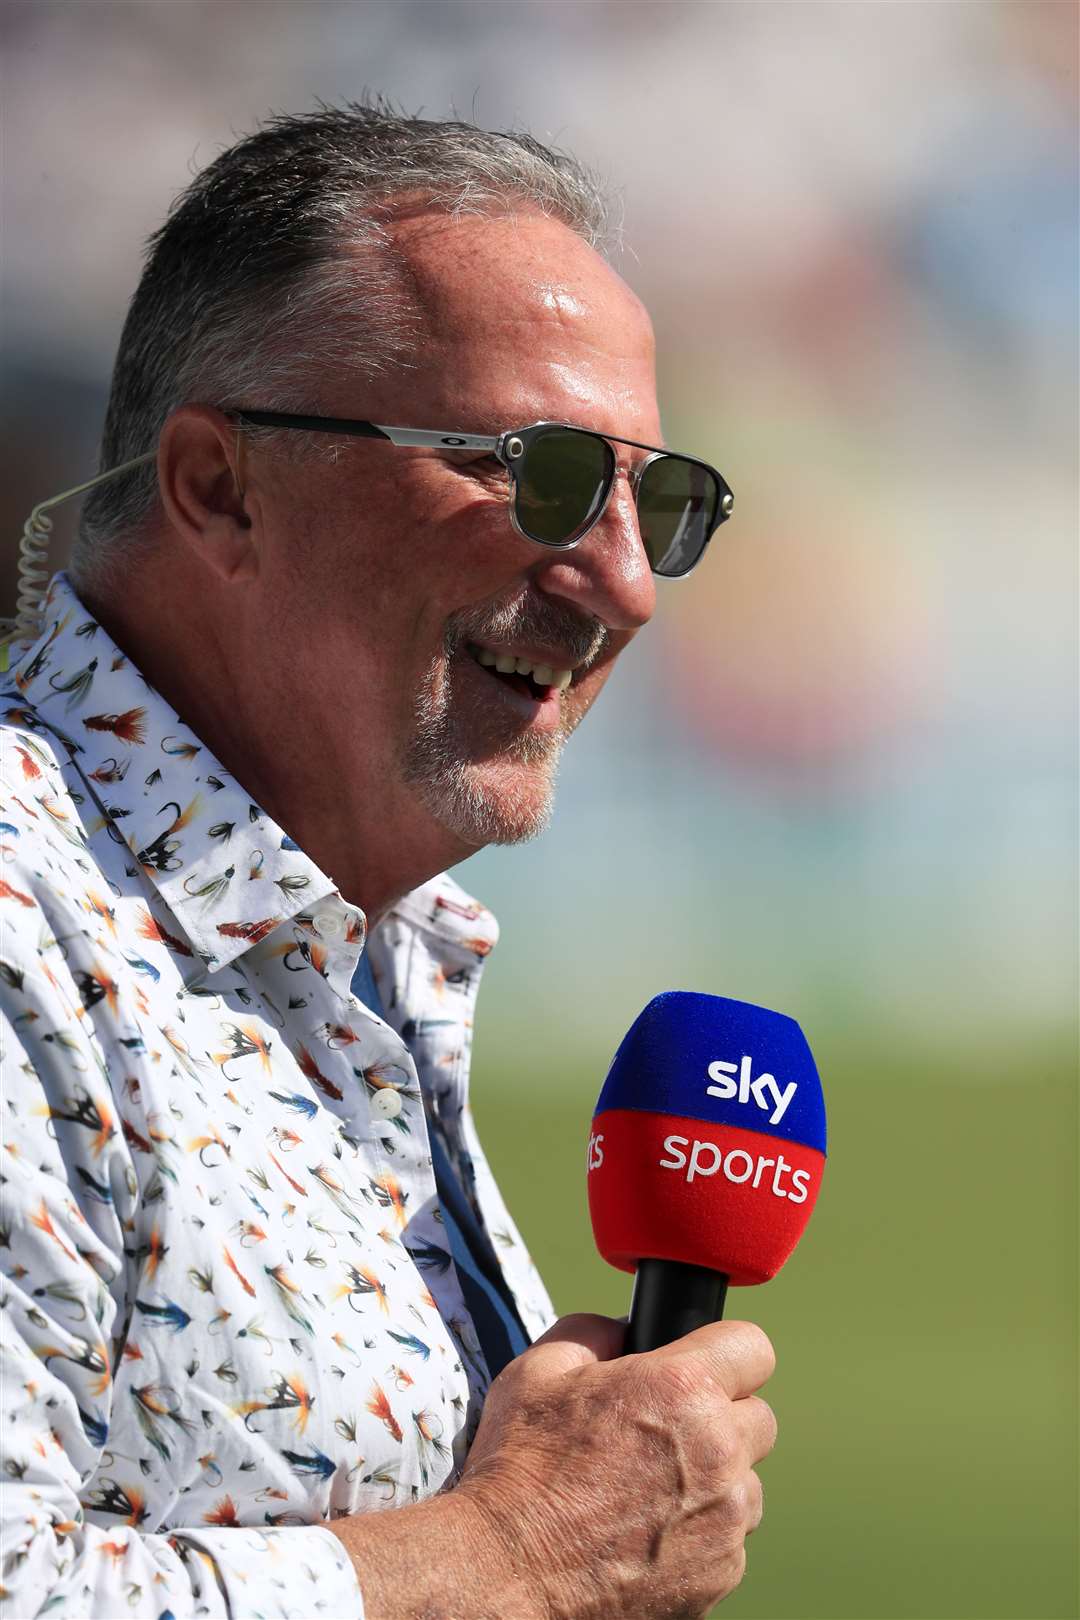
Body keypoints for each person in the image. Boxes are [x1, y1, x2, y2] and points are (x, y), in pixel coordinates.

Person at [0, 102, 773, 1620]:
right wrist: (521, 1556)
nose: (625, 581)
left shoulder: (360, 936)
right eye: (540, 475)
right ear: (221, 487)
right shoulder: (25, 909)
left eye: (656, 500)